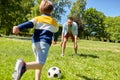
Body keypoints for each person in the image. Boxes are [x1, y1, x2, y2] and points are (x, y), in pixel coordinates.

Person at [12, 0, 58, 80]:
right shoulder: (53, 22)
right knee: (40, 64)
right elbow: (56, 31)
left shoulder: (38, 18)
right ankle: (24, 66)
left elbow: (29, 24)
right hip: (44, 43)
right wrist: (55, 39)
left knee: (37, 62)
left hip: (35, 43)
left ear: (40, 10)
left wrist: (19, 27)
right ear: (51, 11)